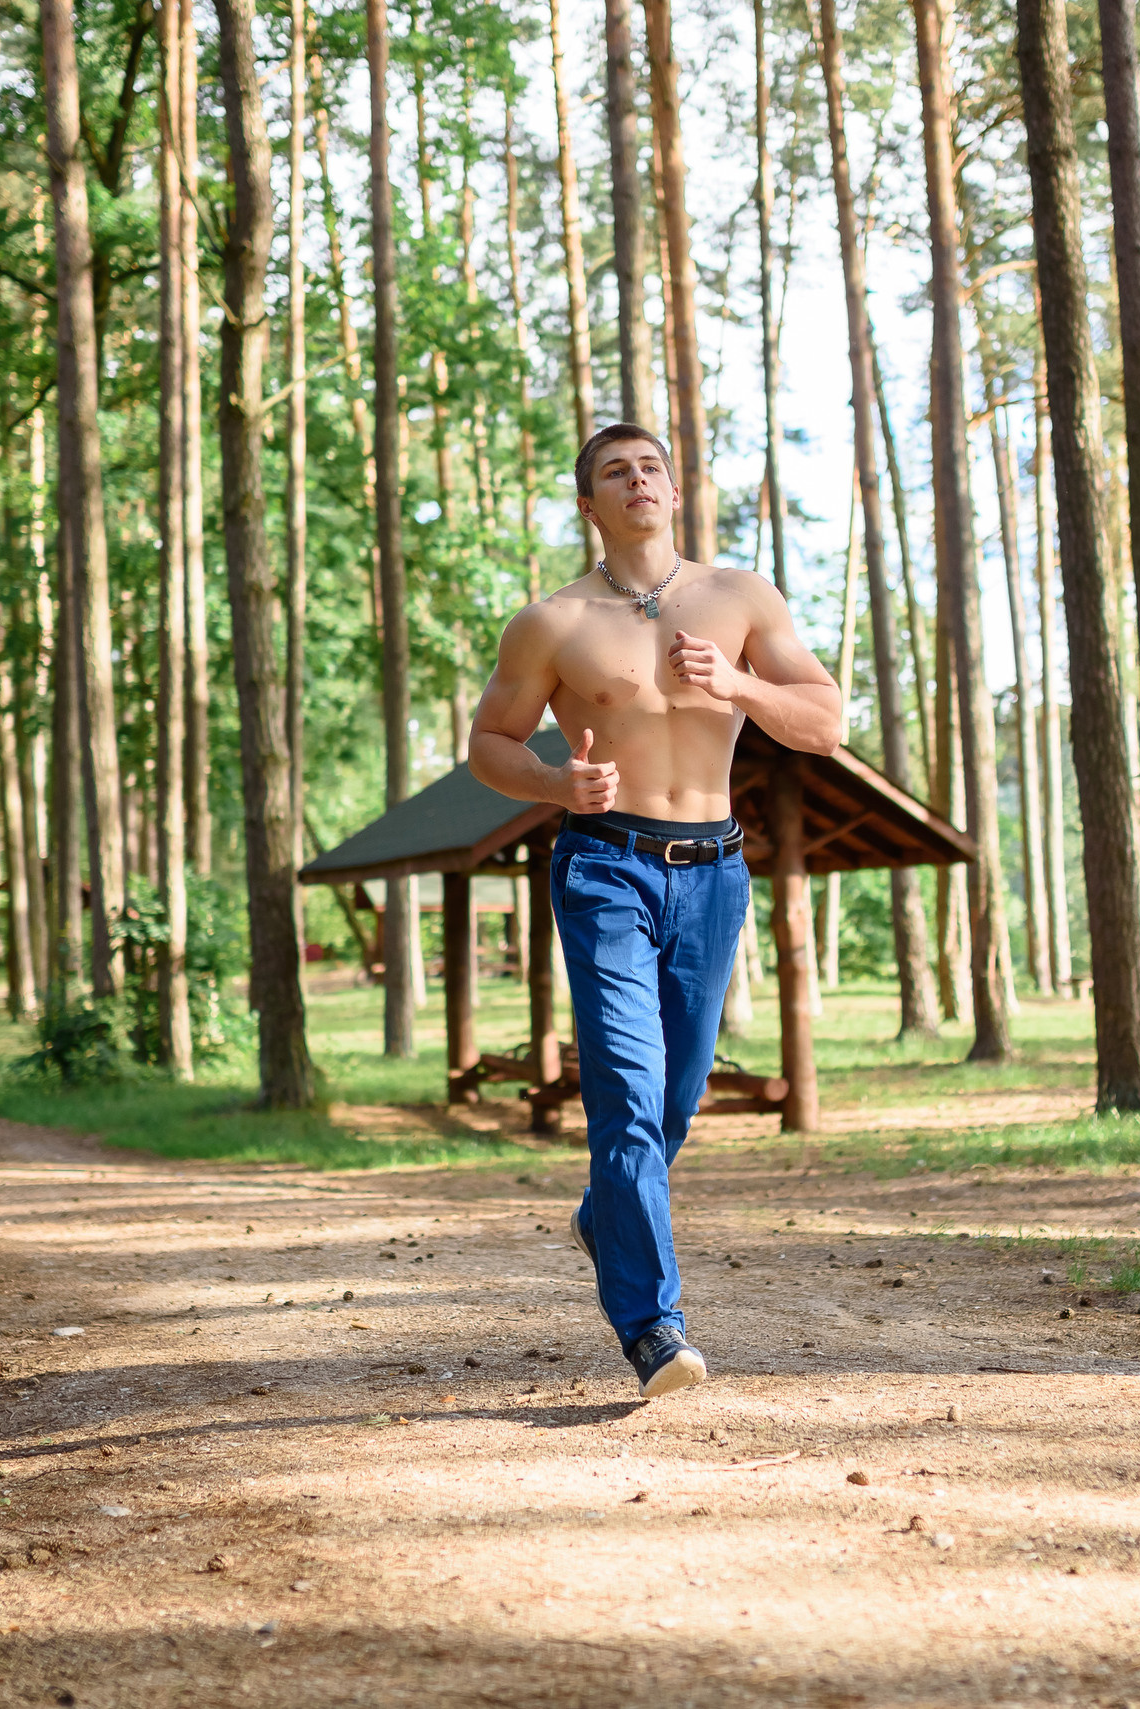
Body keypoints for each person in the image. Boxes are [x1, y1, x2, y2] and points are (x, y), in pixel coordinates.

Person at [469, 423, 842, 1398]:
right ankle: (654, 1330)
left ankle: (606, 1212)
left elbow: (826, 721)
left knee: (676, 1099)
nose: (636, 481)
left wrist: (741, 683)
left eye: (651, 468)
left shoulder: (739, 597)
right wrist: (556, 784)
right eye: (612, 472)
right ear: (588, 504)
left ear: (674, 491)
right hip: (605, 864)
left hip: (713, 870)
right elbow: (488, 744)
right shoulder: (551, 622)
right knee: (629, 1095)